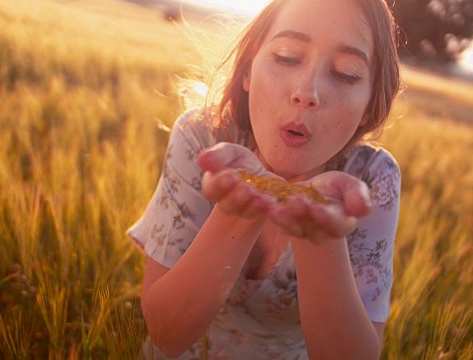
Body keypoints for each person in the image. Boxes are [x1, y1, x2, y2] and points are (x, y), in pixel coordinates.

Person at [127, 0, 401, 358]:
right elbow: (166, 333)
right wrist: (237, 211)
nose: (307, 92)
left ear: (369, 105)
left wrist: (318, 236)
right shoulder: (203, 138)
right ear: (247, 70)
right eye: (287, 56)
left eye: (346, 73)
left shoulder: (370, 180)